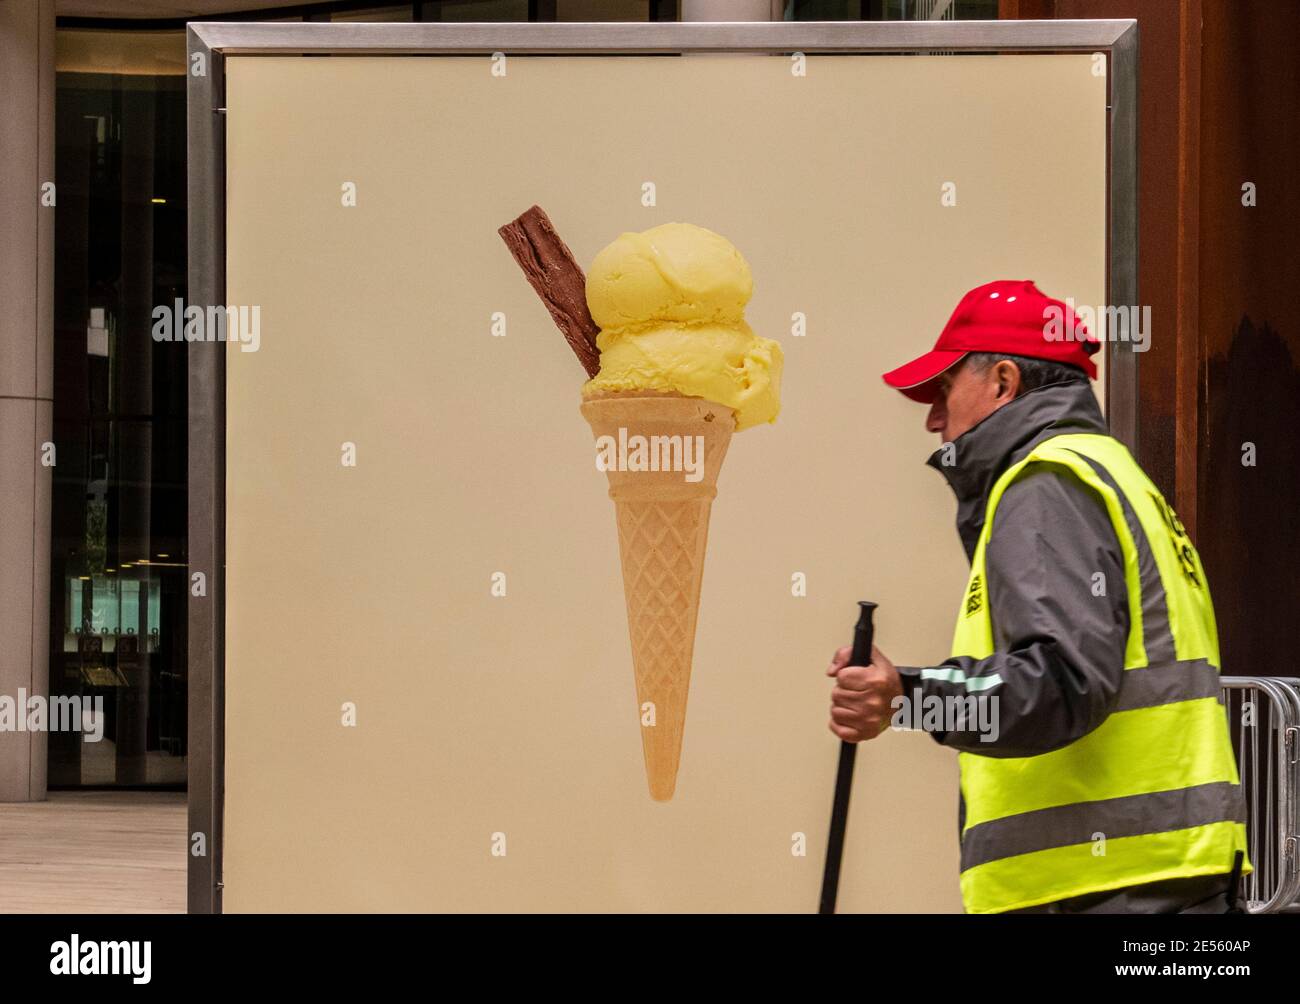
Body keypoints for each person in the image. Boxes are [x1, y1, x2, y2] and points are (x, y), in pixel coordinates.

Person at [826, 279, 1251, 914]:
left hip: (1102, 890)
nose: (932, 419)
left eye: (943, 389)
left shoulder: (1044, 488)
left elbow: (1061, 682)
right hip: (1155, 882)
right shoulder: (1112, 475)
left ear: (1002, 382)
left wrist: (910, 697)